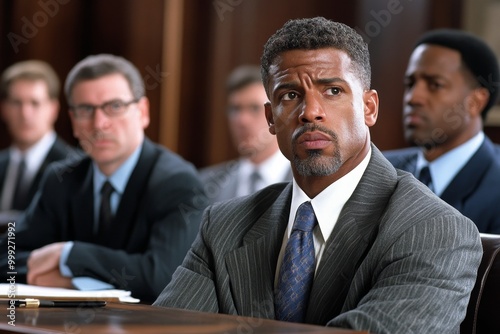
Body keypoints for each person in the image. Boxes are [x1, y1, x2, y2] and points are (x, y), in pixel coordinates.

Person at [153, 17, 482, 333]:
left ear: (369, 108)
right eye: (290, 95)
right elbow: (166, 330)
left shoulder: (435, 230)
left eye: (333, 91)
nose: (310, 111)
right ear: (271, 118)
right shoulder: (224, 224)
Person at [0, 54, 207, 303]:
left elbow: (163, 277)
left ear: (142, 112)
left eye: (115, 107)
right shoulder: (61, 179)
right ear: (73, 121)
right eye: (86, 109)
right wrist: (52, 275)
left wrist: (70, 255)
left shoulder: (178, 183)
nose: (99, 123)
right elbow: (6, 255)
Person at [384, 29, 500, 234]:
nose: (413, 98)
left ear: (476, 101)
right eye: (410, 84)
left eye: (435, 85)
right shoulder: (380, 170)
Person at [200, 65, 291, 204]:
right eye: (235, 109)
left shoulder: (308, 183)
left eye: (255, 108)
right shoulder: (205, 185)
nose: (242, 120)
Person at [0, 60, 73, 221]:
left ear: (53, 109)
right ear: (4, 109)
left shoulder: (75, 167)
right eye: (16, 103)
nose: (25, 114)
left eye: (35, 103)